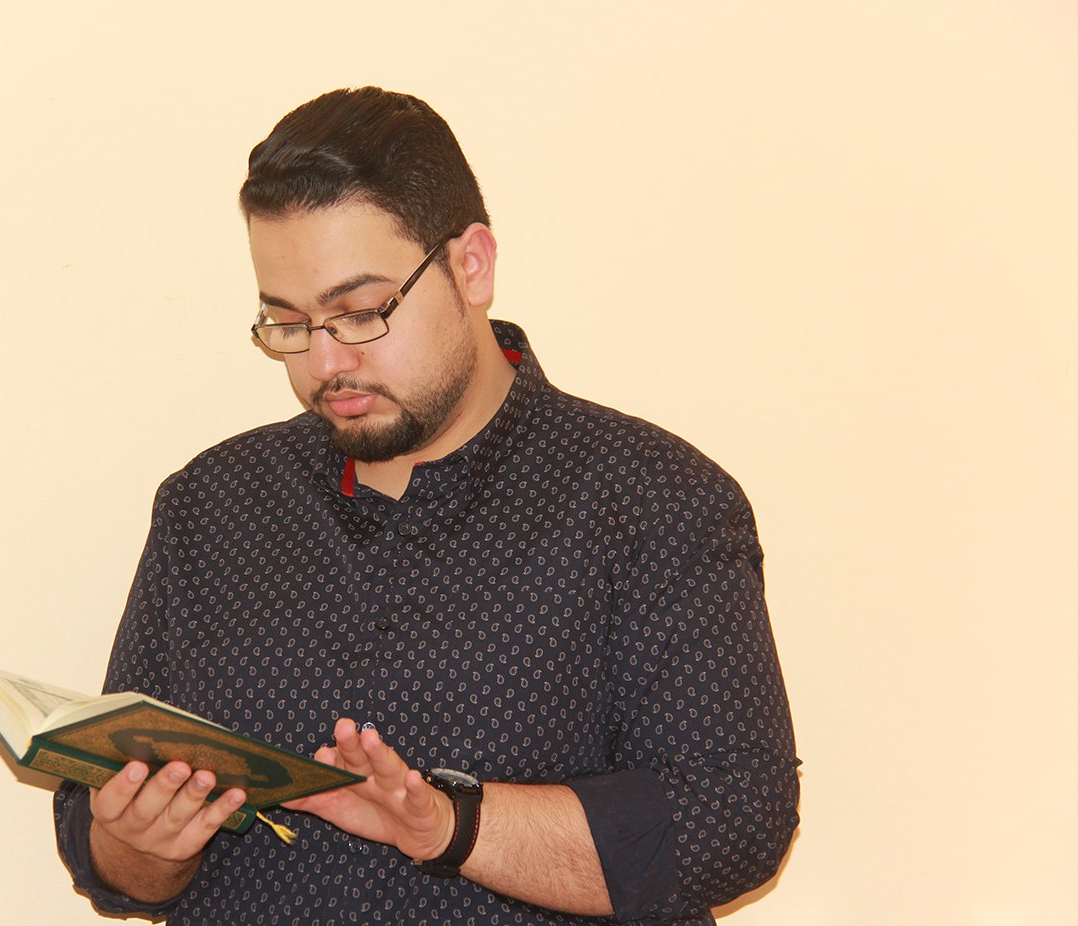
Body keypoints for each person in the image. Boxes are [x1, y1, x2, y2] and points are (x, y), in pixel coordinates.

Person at [53, 86, 799, 925]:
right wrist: (140, 845)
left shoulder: (653, 501)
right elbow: (101, 839)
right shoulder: (211, 504)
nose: (325, 364)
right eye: (288, 322)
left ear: (470, 266)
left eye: (360, 312)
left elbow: (731, 821)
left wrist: (451, 826)